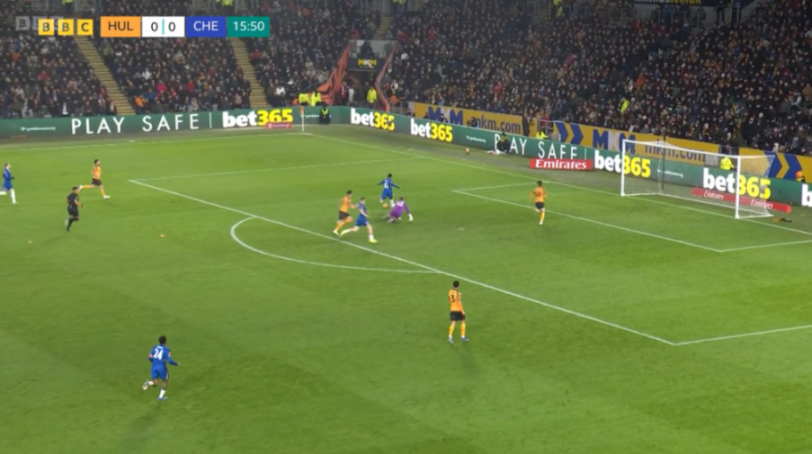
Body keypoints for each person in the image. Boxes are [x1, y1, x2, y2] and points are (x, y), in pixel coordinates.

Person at [142, 335, 179, 401]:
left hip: (153, 366)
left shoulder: (155, 347)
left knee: (155, 383)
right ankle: (160, 397)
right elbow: (169, 361)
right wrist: (176, 363)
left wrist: (154, 362)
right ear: (165, 341)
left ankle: (147, 382)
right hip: (161, 367)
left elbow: (149, 357)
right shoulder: (166, 350)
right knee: (165, 381)